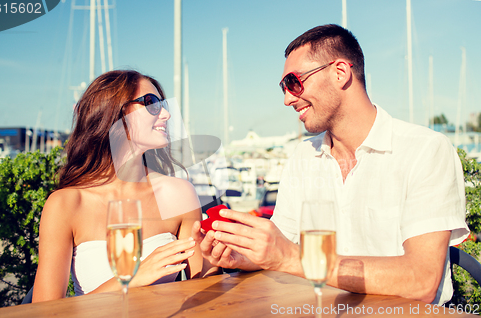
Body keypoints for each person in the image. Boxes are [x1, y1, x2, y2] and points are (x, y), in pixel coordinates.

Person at [192, 24, 469, 305]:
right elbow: (280, 246)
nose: (288, 99)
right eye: (284, 88)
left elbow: (421, 280)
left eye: (293, 82)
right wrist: (241, 255)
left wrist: (291, 257)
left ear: (340, 73)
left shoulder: (425, 150)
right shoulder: (302, 158)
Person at [33, 70, 217, 302]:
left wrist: (214, 259)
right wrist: (133, 279)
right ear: (114, 113)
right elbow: (44, 310)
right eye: (151, 103)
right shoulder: (67, 204)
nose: (166, 114)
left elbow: (201, 290)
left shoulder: (179, 194)